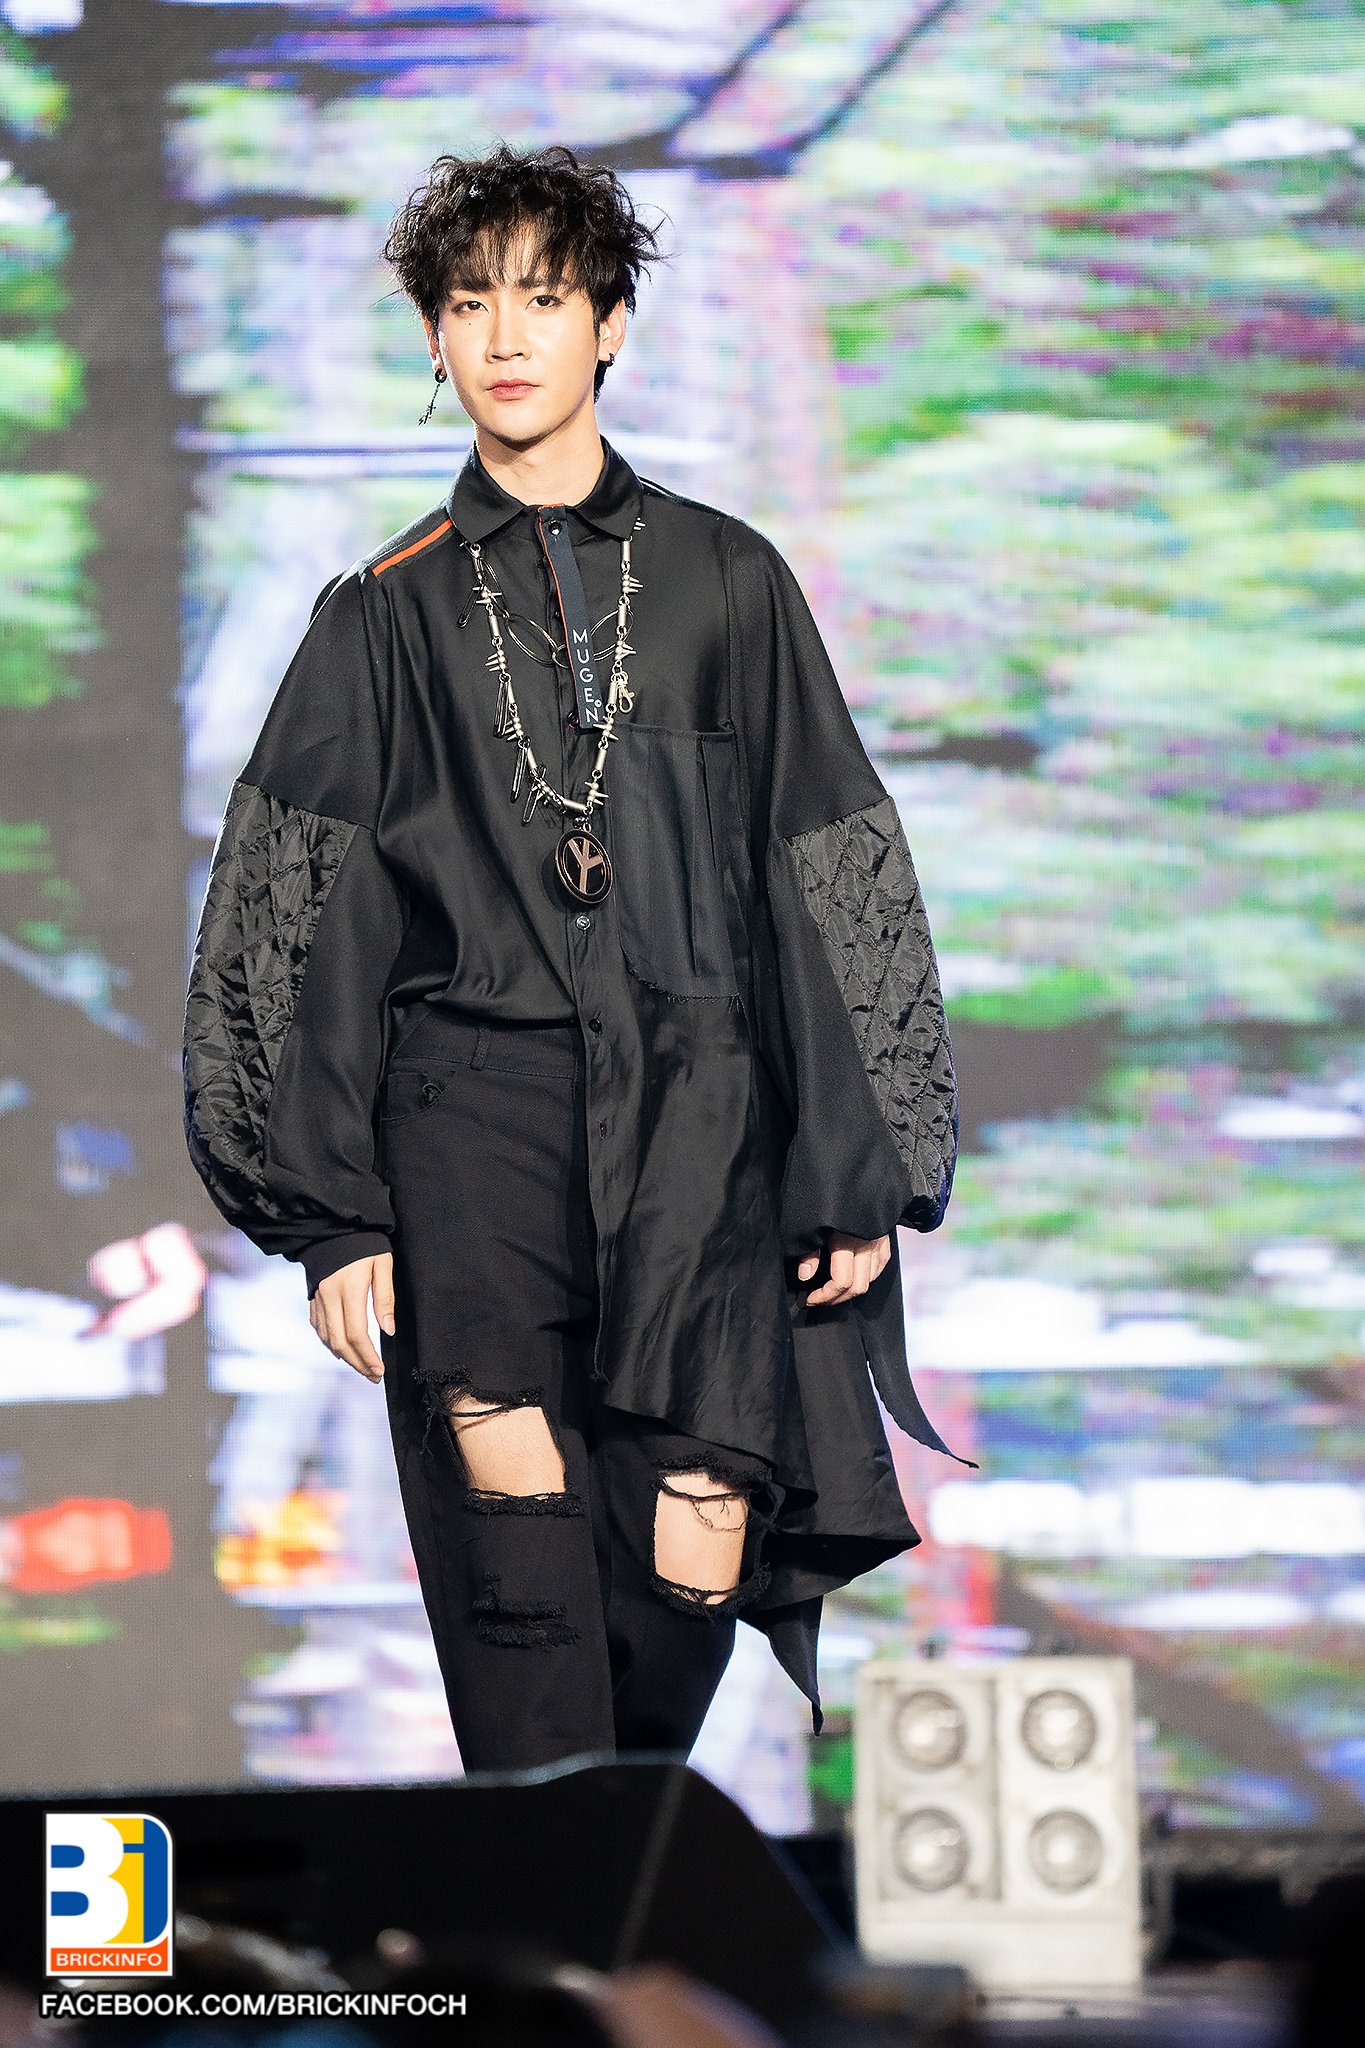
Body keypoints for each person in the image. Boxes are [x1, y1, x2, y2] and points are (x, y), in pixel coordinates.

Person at [182, 143, 960, 1773]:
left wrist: (861, 1161)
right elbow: (289, 916)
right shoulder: (381, 615)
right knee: (511, 1547)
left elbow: (826, 862)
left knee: (692, 1538)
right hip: (472, 1127)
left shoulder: (727, 581)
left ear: (610, 326)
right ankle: (546, 1873)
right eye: (469, 304)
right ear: (435, 338)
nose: (506, 335)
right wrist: (330, 1216)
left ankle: (612, 1862)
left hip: (705, 1129)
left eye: (542, 298)